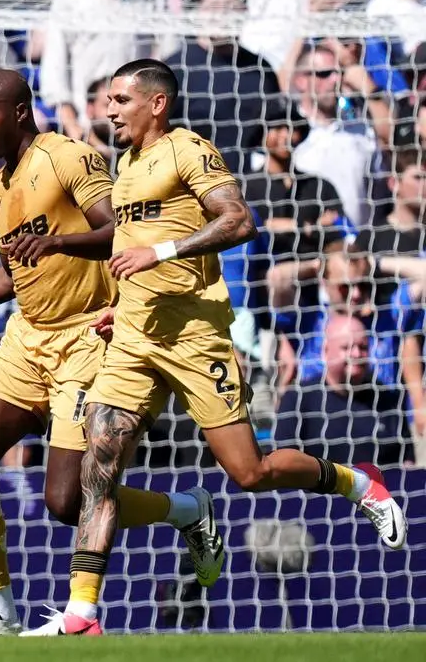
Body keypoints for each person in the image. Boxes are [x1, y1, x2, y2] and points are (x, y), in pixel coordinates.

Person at [28, 59, 407, 637]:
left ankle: (357, 483)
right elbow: (131, 249)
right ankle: (82, 612)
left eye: (120, 100)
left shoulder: (189, 149)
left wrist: (163, 253)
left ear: (156, 104)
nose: (109, 111)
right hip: (133, 336)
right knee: (98, 463)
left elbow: (239, 221)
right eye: (106, 100)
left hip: (194, 336)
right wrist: (122, 300)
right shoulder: (123, 166)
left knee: (249, 472)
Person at [0, 70, 221, 636]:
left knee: (66, 502)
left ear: (18, 112)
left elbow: (118, 233)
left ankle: (186, 510)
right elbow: (11, 277)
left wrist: (59, 240)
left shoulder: (68, 157)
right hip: (27, 337)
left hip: (88, 336)